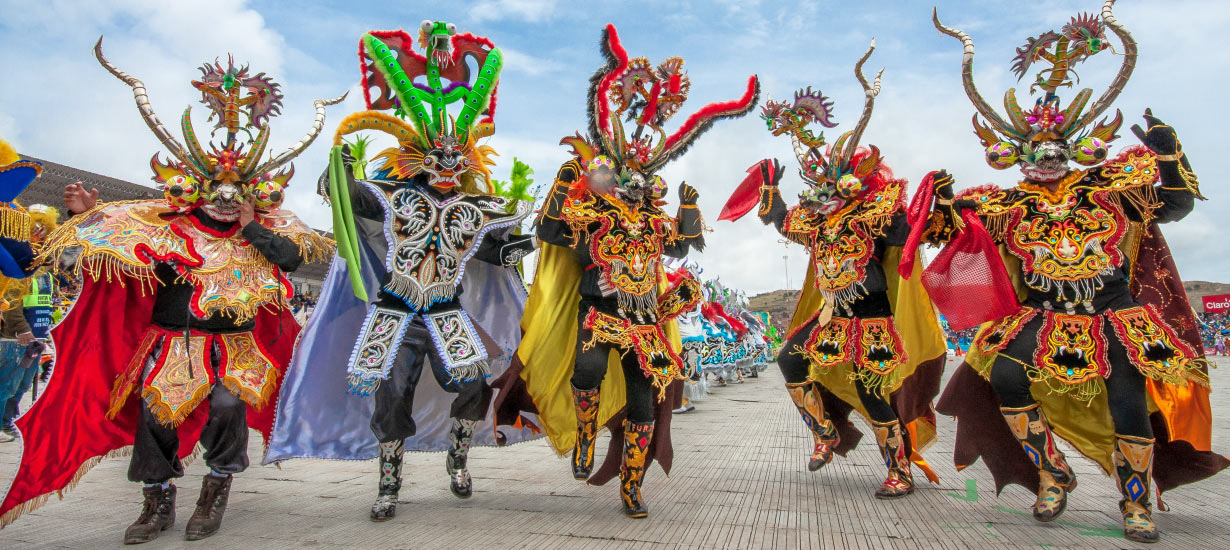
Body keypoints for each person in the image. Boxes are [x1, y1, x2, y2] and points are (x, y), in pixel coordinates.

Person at [0, 42, 340, 543]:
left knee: (228, 408)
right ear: (196, 188)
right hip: (171, 343)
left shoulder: (267, 231)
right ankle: (156, 503)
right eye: (216, 190)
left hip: (236, 346)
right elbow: (108, 256)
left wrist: (250, 227)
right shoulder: (165, 228)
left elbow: (291, 260)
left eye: (238, 191)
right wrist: (81, 217)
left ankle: (216, 490)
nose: (226, 199)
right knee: (155, 416)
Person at [919, 1, 1226, 543]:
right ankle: (1051, 472)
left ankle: (1135, 505)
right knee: (1008, 376)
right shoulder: (1004, 202)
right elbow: (947, 235)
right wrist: (940, 201)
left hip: (1113, 315)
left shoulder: (1111, 189)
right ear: (1015, 152)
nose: (1047, 153)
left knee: (1128, 403)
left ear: (1075, 148)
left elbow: (1175, 207)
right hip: (1043, 314)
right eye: (1035, 147)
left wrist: (1169, 156)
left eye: (1057, 146)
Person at [264, 23, 542, 522]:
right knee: (391, 396)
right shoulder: (393, 196)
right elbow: (344, 197)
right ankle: (389, 483)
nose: (447, 164)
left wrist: (542, 235)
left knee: (475, 382)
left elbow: (500, 252)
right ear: (418, 158)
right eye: (438, 156)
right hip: (395, 312)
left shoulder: (475, 207)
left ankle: (458, 458)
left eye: (457, 158)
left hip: (447, 310)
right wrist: (340, 166)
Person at [492, 23, 758, 519]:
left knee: (642, 406)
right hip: (598, 312)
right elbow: (551, 233)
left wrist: (688, 210)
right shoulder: (592, 214)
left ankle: (632, 488)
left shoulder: (654, 221)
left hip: (647, 324)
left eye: (643, 177)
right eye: (624, 175)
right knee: (587, 370)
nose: (635, 182)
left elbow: (682, 246)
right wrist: (569, 176)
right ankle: (585, 440)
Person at [719, 40, 947, 498]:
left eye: (834, 185)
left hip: (875, 321)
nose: (825, 194)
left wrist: (928, 202)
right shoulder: (818, 226)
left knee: (872, 394)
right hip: (831, 319)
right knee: (788, 359)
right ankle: (825, 431)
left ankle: (898, 470)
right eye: (820, 186)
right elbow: (785, 221)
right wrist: (771, 186)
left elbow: (908, 235)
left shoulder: (876, 217)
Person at [0, 205, 58, 441]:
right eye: (37, 230)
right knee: (7, 385)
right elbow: (10, 301)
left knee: (21, 386)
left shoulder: (44, 274)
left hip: (37, 339)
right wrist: (22, 330)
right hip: (17, 339)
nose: (42, 237)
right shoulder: (17, 268)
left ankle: (8, 421)